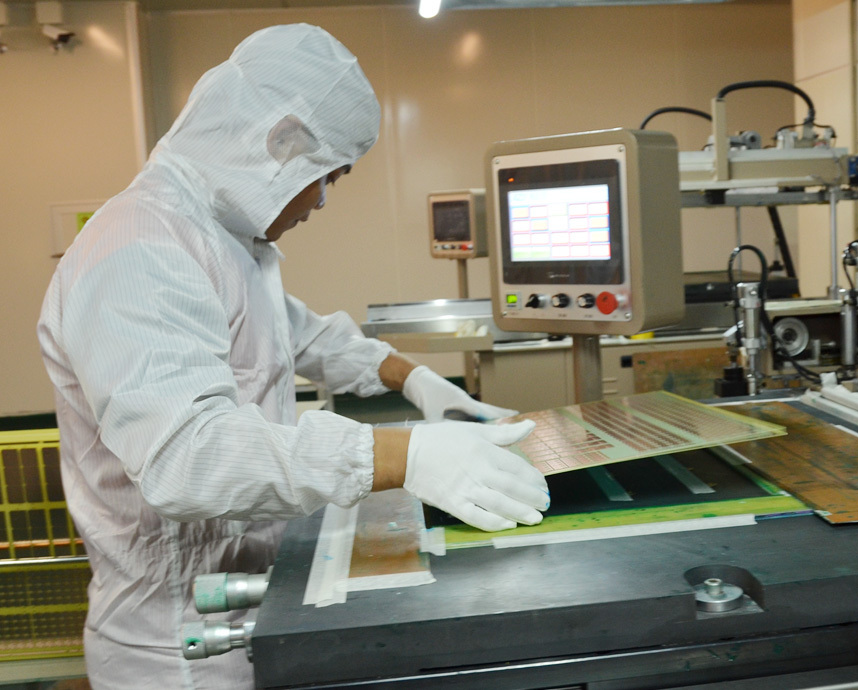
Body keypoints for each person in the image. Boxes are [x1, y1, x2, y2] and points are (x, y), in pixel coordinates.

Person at [37, 24, 549, 689]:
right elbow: (187, 456)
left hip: (249, 606)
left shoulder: (222, 241)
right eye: (327, 175)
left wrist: (419, 380)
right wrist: (405, 456)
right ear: (280, 143)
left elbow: (303, 336)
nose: (324, 199)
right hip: (175, 647)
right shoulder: (137, 250)